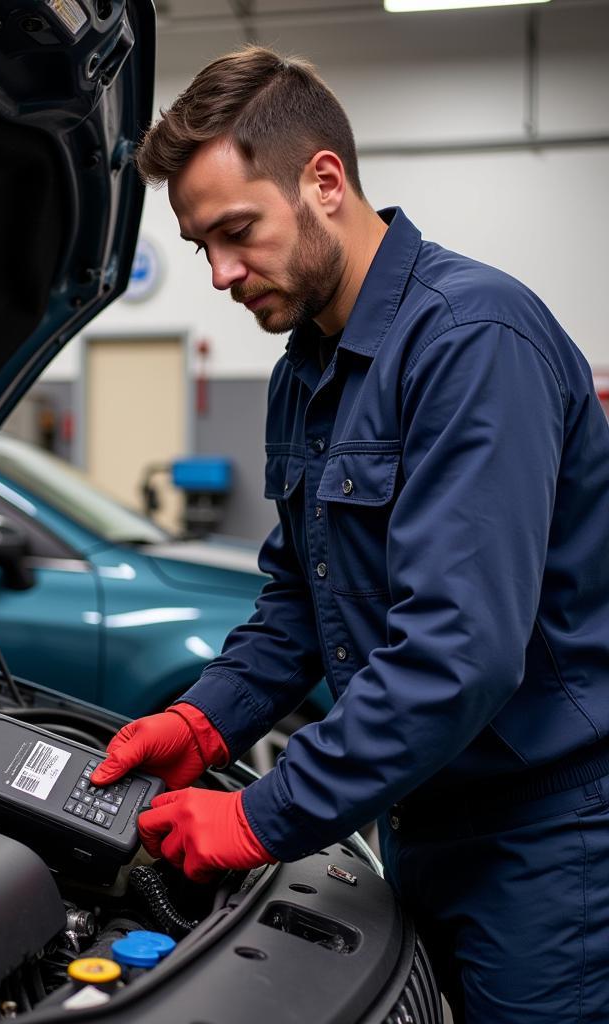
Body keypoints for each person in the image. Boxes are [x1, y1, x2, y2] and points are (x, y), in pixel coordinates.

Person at [90, 46, 609, 1022]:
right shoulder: (306, 372)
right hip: (417, 816)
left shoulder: (472, 340)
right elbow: (299, 595)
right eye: (201, 245)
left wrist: (258, 814)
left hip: (546, 842)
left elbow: (457, 652)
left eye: (236, 232)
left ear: (323, 181)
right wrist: (204, 720)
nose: (219, 274)